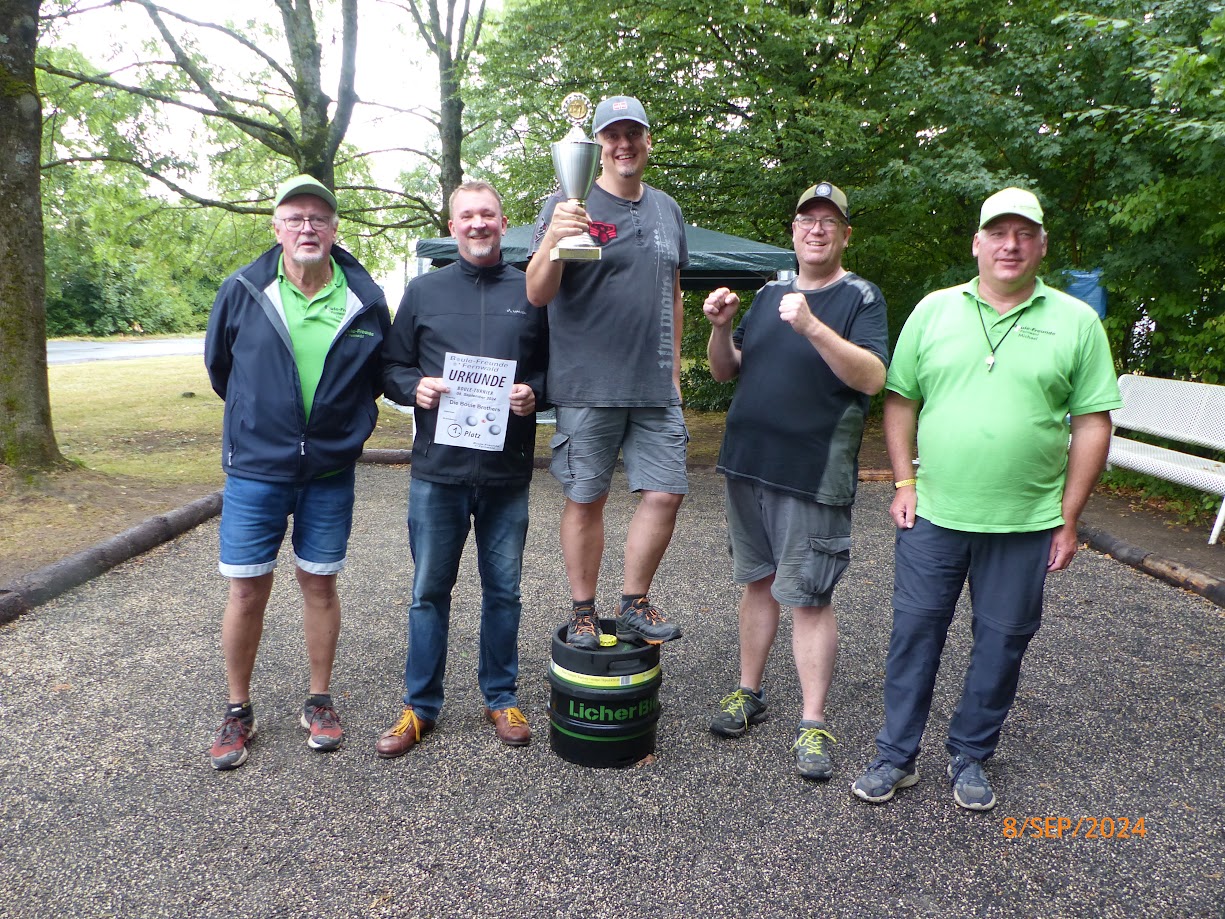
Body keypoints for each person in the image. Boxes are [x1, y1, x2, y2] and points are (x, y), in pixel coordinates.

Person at [850, 187, 1121, 810]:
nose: (1010, 244)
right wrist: (904, 481)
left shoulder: (1076, 322)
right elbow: (900, 399)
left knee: (1002, 643)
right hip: (935, 512)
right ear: (977, 243)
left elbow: (1092, 423)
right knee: (914, 636)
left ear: (1041, 245)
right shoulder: (935, 311)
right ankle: (897, 755)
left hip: (1027, 521)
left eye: (1024, 233)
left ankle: (970, 754)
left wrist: (1070, 518)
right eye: (998, 232)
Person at [204, 174, 391, 770]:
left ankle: (319, 700)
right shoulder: (242, 289)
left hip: (330, 469)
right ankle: (238, 710)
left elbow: (379, 374)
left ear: (336, 229)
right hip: (257, 469)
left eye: (318, 218)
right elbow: (220, 368)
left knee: (319, 583)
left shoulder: (365, 297)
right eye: (295, 218)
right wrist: (261, 421)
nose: (307, 228)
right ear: (277, 227)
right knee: (246, 587)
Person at [703, 182, 889, 780]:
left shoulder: (860, 297)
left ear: (844, 234)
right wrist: (719, 328)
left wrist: (811, 326)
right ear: (793, 230)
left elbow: (871, 378)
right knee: (757, 583)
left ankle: (812, 724)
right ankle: (748, 693)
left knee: (809, 596)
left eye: (828, 222)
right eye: (807, 220)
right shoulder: (769, 295)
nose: (816, 229)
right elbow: (727, 371)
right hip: (747, 462)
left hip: (812, 472)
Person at [377, 181, 548, 757]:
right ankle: (420, 706)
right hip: (438, 472)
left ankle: (500, 698)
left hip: (506, 473)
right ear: (451, 228)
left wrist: (534, 393)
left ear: (505, 223)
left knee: (504, 593)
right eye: (466, 216)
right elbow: (392, 365)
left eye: (488, 215)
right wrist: (413, 387)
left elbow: (559, 369)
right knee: (429, 592)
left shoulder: (532, 289)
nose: (477, 224)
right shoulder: (424, 291)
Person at [526, 94, 688, 649]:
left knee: (666, 492)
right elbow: (537, 291)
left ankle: (634, 603)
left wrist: (675, 372)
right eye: (612, 136)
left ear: (647, 141)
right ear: (597, 145)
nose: (624, 145)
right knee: (586, 497)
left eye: (633, 134)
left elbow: (673, 292)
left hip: (654, 384)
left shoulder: (668, 208)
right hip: (588, 382)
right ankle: (583, 612)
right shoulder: (567, 205)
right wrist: (553, 235)